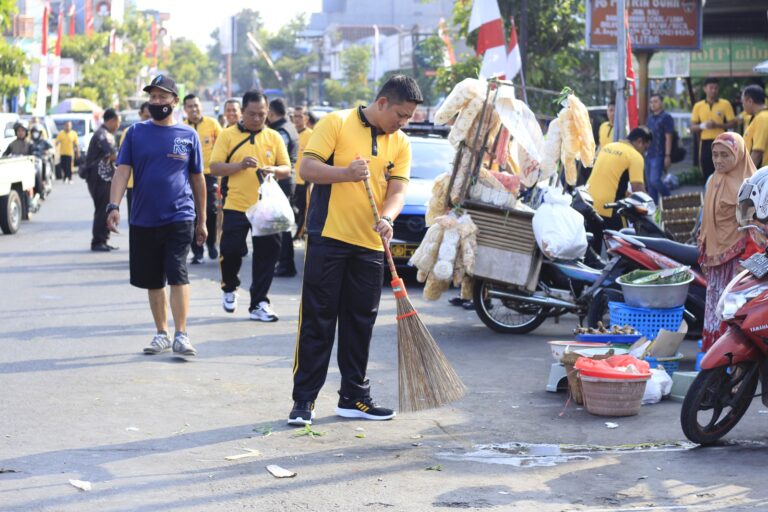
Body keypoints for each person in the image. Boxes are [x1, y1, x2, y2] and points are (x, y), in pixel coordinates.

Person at [288, 75, 423, 426]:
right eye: (401, 115)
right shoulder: (336, 122)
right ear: (382, 103)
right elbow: (307, 169)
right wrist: (346, 173)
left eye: (408, 117)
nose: (403, 122)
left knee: (360, 323)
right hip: (328, 236)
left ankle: (354, 398)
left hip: (369, 244)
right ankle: (304, 400)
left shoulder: (402, 142)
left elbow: (396, 191)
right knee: (318, 319)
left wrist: (389, 218)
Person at [107, 74, 207, 357]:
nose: (157, 102)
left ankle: (182, 334)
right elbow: (122, 171)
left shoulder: (188, 135)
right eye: (152, 97)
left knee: (178, 273)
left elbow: (198, 179)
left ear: (175, 101)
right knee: (153, 280)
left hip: (180, 215)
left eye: (163, 97)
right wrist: (113, 206)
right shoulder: (135, 133)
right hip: (143, 217)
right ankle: (162, 332)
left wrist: (202, 220)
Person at [209, 90, 290, 322]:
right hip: (236, 204)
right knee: (231, 250)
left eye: (262, 114)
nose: (257, 118)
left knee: (267, 255)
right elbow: (215, 167)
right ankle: (229, 287)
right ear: (242, 112)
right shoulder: (227, 135)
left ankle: (259, 302)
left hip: (266, 208)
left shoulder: (274, 137)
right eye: (252, 114)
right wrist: (239, 165)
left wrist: (273, 170)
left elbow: (287, 168)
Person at [698, 132, 757, 352]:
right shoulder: (713, 180)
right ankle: (715, 368)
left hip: (737, 261)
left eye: (725, 155)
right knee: (714, 311)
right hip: (715, 261)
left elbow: (750, 227)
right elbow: (707, 219)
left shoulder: (747, 188)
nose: (718, 160)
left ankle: (733, 363)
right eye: (715, 155)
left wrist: (746, 261)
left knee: (731, 312)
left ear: (739, 155)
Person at [585, 126, 651, 254]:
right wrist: (650, 208)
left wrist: (627, 194)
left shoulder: (608, 146)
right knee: (623, 248)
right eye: (645, 148)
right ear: (639, 141)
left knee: (594, 250)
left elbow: (609, 179)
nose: (644, 152)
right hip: (609, 207)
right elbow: (638, 188)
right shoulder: (635, 156)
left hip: (589, 203)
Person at [183, 93, 223, 263]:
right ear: (185, 109)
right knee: (191, 212)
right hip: (187, 176)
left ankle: (212, 243)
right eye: (190, 106)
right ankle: (197, 251)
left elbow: (222, 146)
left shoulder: (212, 124)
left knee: (211, 211)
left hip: (209, 175)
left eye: (196, 105)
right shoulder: (181, 128)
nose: (194, 109)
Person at [267, 98, 300, 277]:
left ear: (271, 113)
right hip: (286, 180)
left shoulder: (281, 131)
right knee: (281, 224)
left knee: (282, 226)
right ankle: (284, 262)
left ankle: (286, 263)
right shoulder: (288, 126)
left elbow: (276, 155)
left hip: (282, 180)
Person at [85, 108, 121, 252]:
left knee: (106, 209)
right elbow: (113, 155)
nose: (118, 125)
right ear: (111, 121)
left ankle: (104, 240)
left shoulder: (106, 134)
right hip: (99, 177)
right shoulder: (102, 135)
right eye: (118, 122)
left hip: (105, 177)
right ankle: (98, 241)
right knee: (102, 209)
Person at [691, 78, 736, 181]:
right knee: (706, 169)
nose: (713, 90)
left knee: (723, 169)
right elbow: (693, 127)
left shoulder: (725, 104)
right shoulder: (698, 106)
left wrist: (718, 125)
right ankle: (709, 193)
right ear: (705, 89)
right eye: (711, 88)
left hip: (722, 141)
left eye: (716, 88)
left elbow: (733, 123)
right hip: (705, 142)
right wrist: (703, 126)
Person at [122, 102, 151, 218]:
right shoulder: (130, 133)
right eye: (146, 117)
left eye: (152, 117)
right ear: (140, 114)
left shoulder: (162, 133)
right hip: (134, 186)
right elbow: (123, 164)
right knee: (136, 223)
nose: (149, 120)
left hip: (154, 187)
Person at [645, 93, 674, 204]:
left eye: (656, 101)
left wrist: (667, 155)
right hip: (649, 154)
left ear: (661, 103)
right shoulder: (650, 118)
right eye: (651, 102)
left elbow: (668, 137)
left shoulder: (666, 117)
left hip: (660, 153)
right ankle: (655, 212)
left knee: (655, 180)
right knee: (650, 185)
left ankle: (670, 200)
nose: (653, 104)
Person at [291, 104, 312, 240]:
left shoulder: (312, 135)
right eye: (294, 116)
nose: (297, 119)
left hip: (304, 181)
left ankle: (299, 234)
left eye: (300, 116)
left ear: (306, 118)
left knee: (302, 210)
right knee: (291, 209)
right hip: (290, 179)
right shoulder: (289, 133)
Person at [742, 84, 768, 169]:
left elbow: (757, 151)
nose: (743, 106)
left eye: (743, 102)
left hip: (761, 172)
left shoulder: (762, 118)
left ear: (750, 101)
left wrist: (745, 174)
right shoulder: (759, 116)